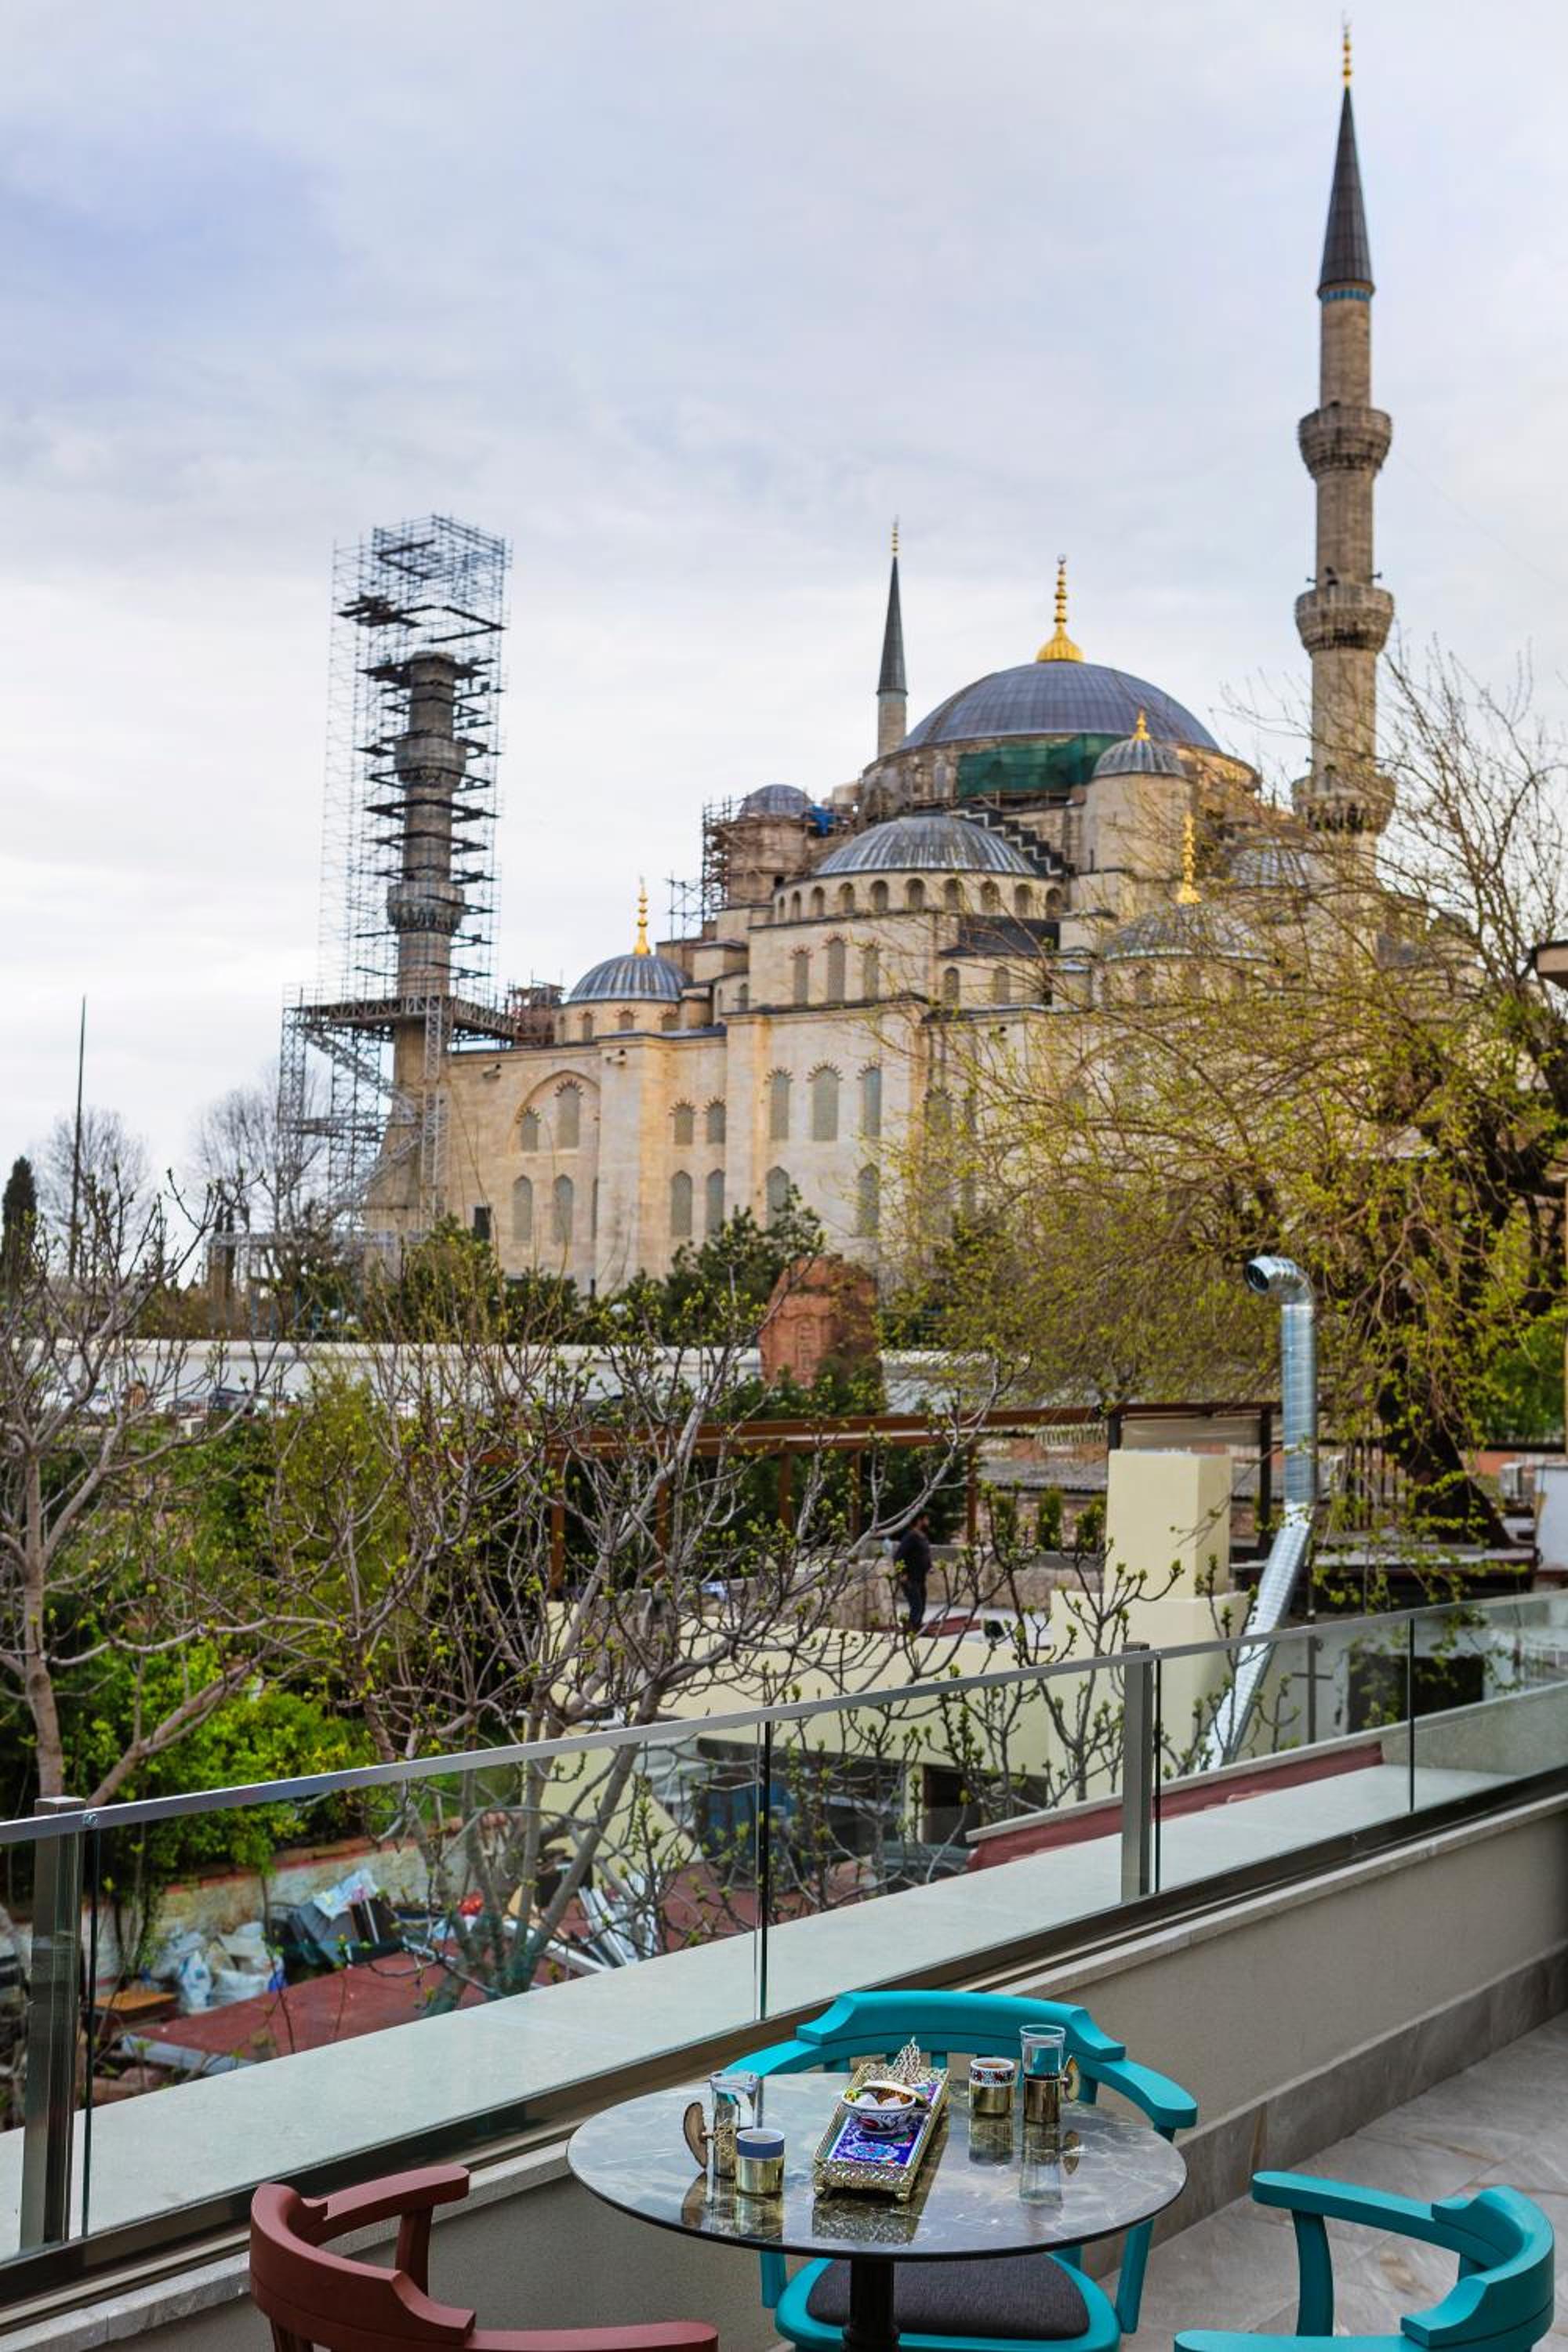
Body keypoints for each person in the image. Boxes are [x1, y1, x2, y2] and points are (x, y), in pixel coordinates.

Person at [893, 1512, 932, 1635]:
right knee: (916, 1605)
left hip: (920, 1577)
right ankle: (909, 1629)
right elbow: (898, 1556)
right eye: (926, 1519)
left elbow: (924, 1555)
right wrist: (902, 1573)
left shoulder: (923, 1537)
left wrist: (929, 1567)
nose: (928, 1522)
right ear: (919, 1521)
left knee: (922, 1605)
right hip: (909, 1578)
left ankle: (917, 1627)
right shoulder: (911, 1537)